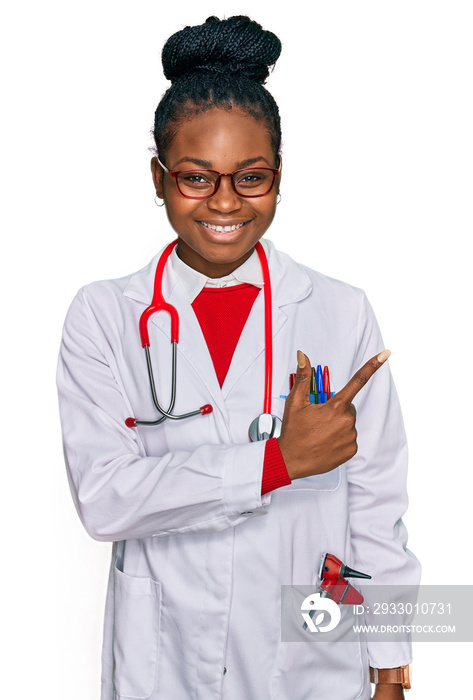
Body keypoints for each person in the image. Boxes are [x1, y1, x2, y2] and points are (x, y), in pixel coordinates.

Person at [57, 15, 420, 700]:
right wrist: (278, 461)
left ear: (278, 177)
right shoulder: (104, 316)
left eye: (250, 178)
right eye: (196, 177)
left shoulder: (338, 310)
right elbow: (105, 502)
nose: (225, 202)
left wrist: (391, 665)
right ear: (158, 177)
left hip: (309, 651)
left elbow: (377, 510)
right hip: (164, 659)